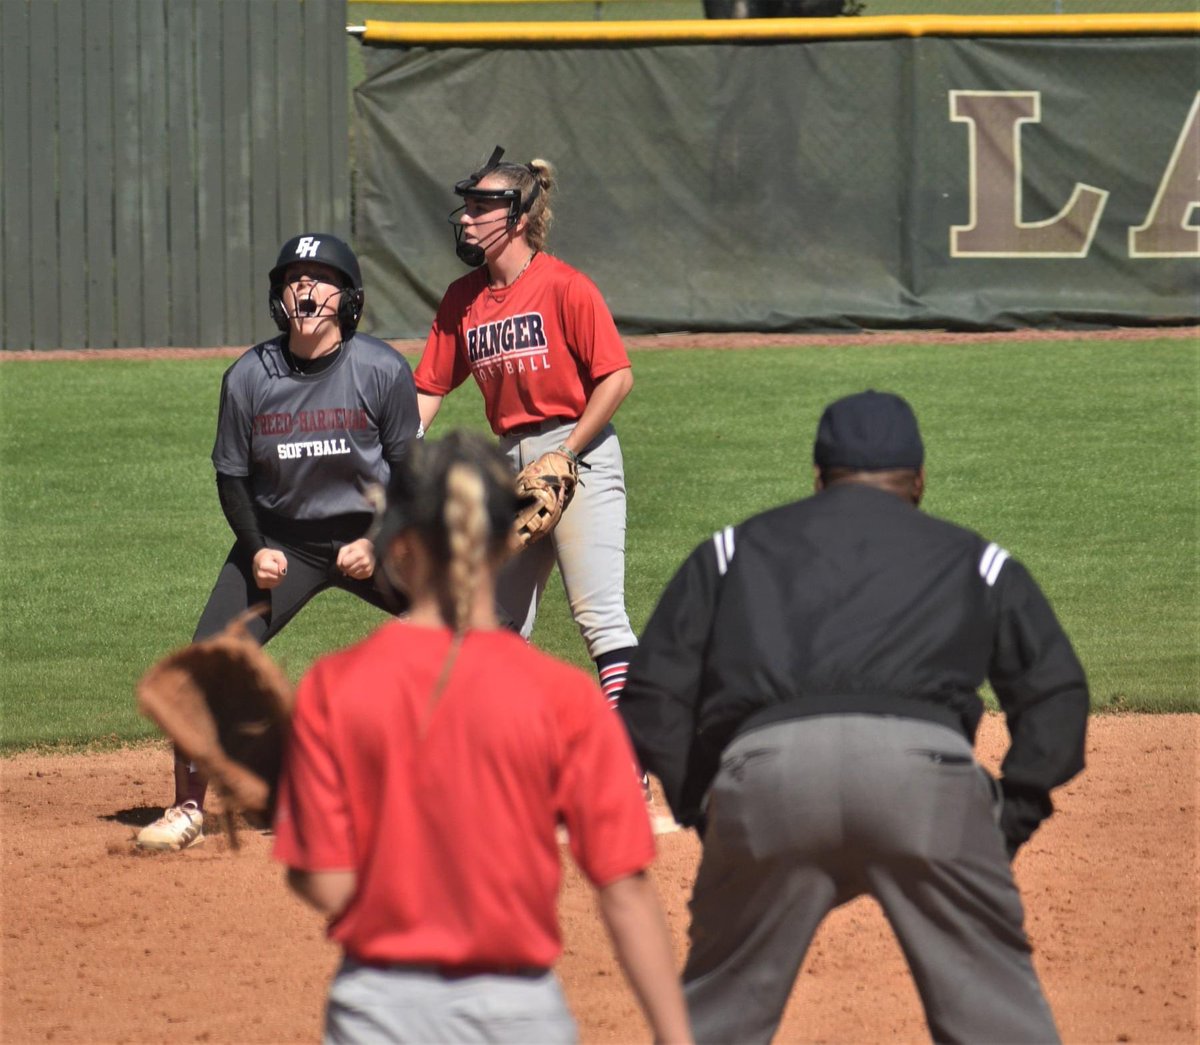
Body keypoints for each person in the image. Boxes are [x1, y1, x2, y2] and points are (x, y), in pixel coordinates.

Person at [619, 390, 1090, 1044]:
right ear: (919, 480)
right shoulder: (974, 558)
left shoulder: (732, 550)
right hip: (925, 786)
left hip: (770, 781)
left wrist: (709, 803)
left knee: (710, 1020)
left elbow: (650, 692)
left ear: (818, 477)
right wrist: (1012, 813)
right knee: (1000, 1023)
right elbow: (1057, 690)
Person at [271, 431, 693, 1045]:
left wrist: (275, 795)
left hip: (378, 1011)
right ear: (506, 542)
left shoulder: (335, 688)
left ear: (397, 544)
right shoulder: (565, 700)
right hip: (517, 1014)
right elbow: (624, 889)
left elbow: (323, 879)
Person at [135, 232, 421, 852]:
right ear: (279, 297)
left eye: (320, 278)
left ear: (348, 298)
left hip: (372, 536)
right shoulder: (249, 377)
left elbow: (410, 475)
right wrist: (256, 544)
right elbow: (232, 476)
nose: (305, 288)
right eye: (294, 278)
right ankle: (187, 808)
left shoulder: (381, 369)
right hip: (284, 541)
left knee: (490, 628)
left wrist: (378, 540)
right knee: (206, 663)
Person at [413, 146, 639, 712]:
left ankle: (633, 761)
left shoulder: (565, 286)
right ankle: (502, 762)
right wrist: (401, 457)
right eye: (465, 207)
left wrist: (566, 452)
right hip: (509, 465)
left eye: (478, 208)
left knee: (599, 617)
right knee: (490, 628)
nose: (465, 218)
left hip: (577, 461)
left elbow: (616, 379)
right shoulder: (462, 301)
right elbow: (429, 389)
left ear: (515, 218)